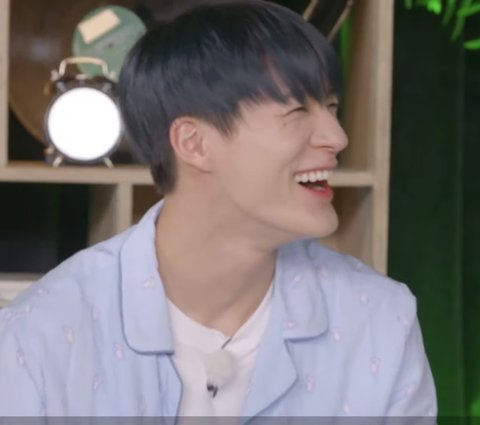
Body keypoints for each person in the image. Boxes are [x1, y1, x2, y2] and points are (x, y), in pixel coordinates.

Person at [0, 0, 437, 418]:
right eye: (296, 112)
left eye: (332, 108)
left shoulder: (379, 322)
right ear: (194, 143)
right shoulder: (43, 335)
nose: (337, 138)